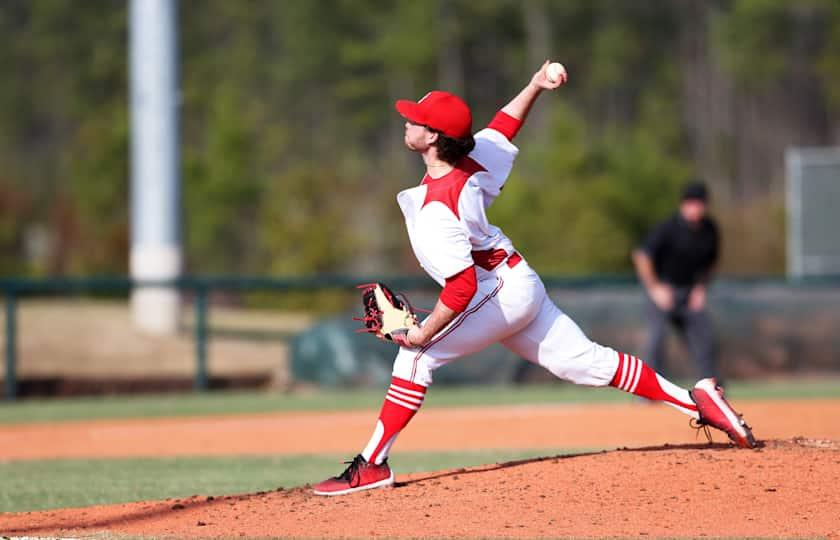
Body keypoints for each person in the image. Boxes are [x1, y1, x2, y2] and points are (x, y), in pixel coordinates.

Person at [313, 62, 755, 497]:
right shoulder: (468, 161)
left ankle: (372, 465)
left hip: (498, 289)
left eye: (416, 119)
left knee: (416, 359)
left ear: (433, 137)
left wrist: (422, 331)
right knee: (583, 362)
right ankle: (697, 401)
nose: (406, 122)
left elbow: (463, 288)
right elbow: (503, 127)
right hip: (515, 278)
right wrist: (534, 85)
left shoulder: (437, 210)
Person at [632, 182, 720, 382]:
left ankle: (712, 391)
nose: (695, 208)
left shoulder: (710, 230)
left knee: (705, 340)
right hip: (664, 290)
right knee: (655, 341)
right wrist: (655, 288)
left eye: (699, 203)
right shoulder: (668, 228)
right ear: (683, 204)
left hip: (690, 292)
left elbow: (711, 263)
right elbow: (641, 256)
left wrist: (701, 288)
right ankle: (647, 394)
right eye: (690, 203)